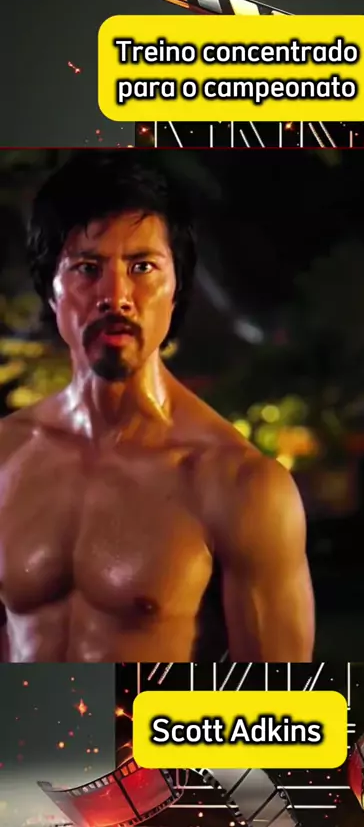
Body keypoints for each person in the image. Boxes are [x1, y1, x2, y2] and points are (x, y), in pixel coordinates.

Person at [0, 150, 315, 662]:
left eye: (142, 266)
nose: (116, 295)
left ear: (176, 287)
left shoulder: (241, 485)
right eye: (87, 268)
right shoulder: (6, 456)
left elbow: (275, 700)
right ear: (50, 291)